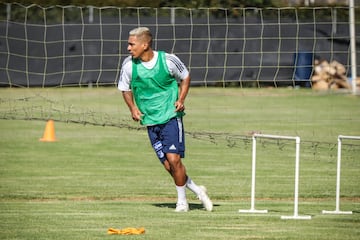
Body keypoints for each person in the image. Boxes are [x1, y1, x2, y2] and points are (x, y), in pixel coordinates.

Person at [118, 27, 213, 212]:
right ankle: (197, 190)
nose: (128, 48)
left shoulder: (168, 60)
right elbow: (125, 88)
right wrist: (133, 108)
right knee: (169, 166)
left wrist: (181, 99)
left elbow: (185, 77)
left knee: (174, 159)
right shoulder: (129, 65)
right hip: (150, 120)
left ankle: (182, 202)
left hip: (170, 116)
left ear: (145, 45)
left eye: (132, 44)